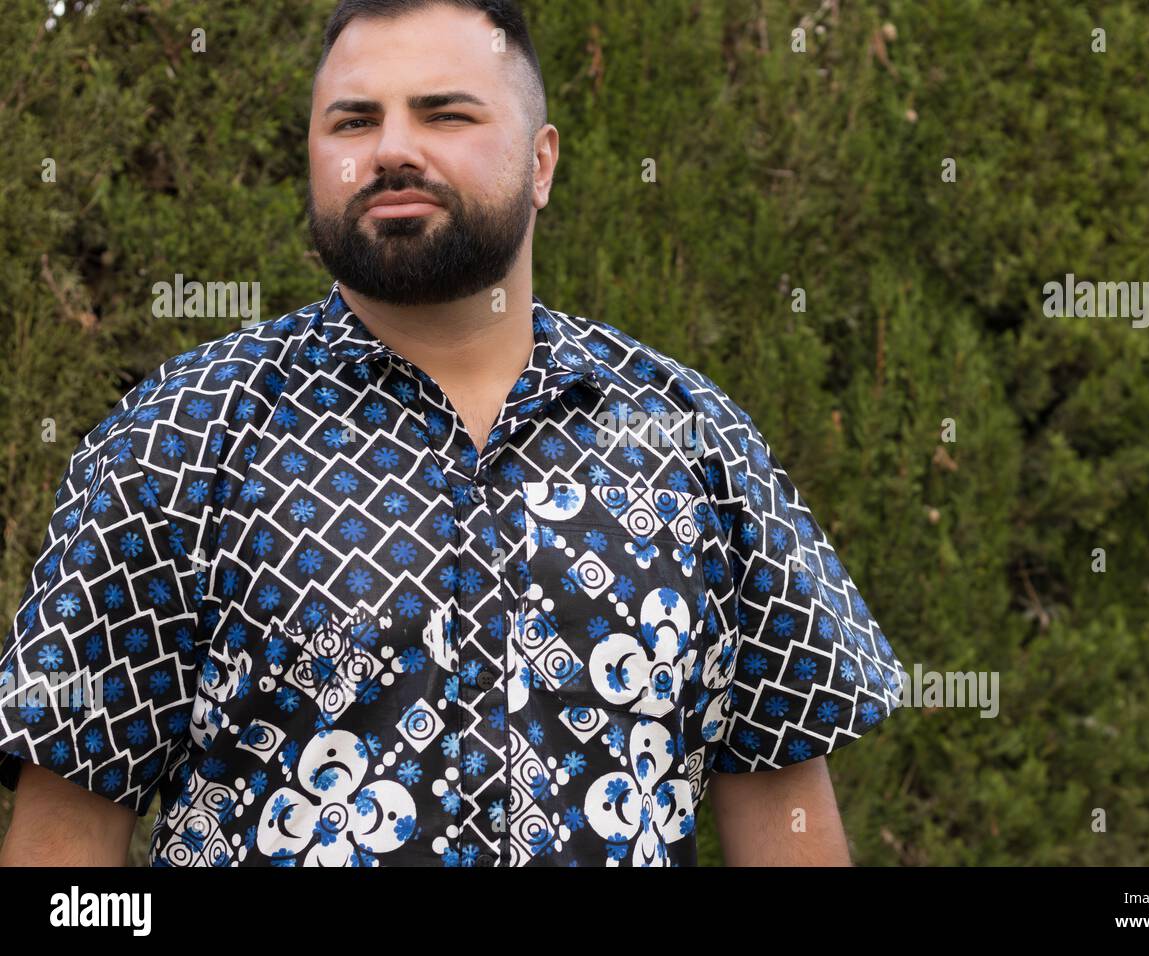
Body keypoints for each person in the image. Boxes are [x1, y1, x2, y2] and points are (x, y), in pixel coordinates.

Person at [0, 0, 904, 867]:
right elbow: (65, 840)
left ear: (542, 162)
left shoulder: (690, 440)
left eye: (444, 114)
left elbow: (785, 818)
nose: (392, 149)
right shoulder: (178, 439)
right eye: (353, 122)